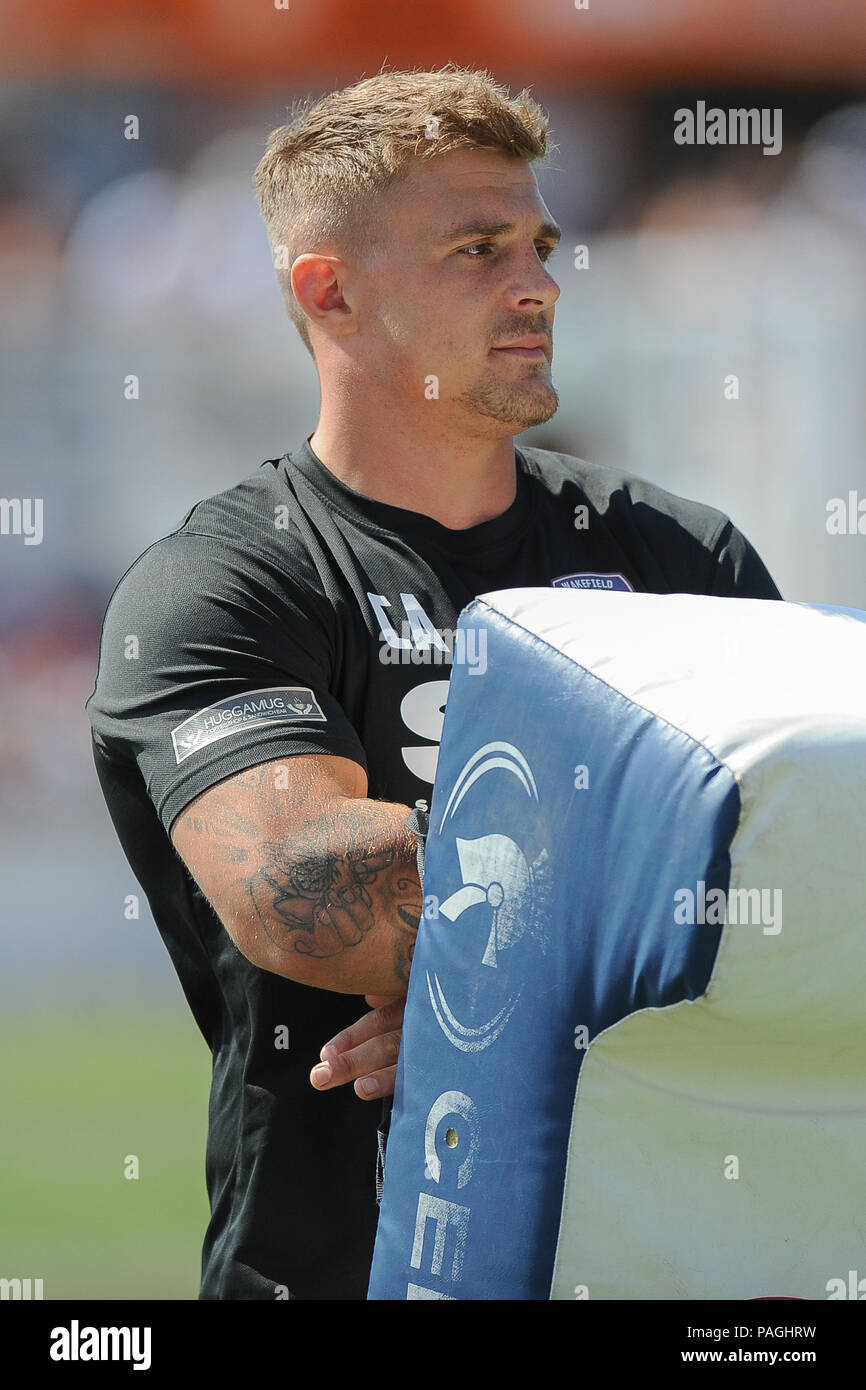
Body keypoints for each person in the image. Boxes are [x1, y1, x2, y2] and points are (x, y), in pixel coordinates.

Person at [85, 64, 782, 1301]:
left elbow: (813, 868)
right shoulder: (223, 582)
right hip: (341, 1268)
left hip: (676, 1273)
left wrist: (501, 1012)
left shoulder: (681, 559)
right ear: (329, 290)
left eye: (539, 242)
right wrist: (620, 954)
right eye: (476, 248)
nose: (539, 282)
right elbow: (305, 895)